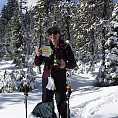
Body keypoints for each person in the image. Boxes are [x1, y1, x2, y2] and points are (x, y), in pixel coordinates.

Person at [34, 26, 76, 118]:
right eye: (50, 34)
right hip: (47, 79)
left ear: (59, 34)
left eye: (55, 33)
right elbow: (37, 63)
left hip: (60, 79)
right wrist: (38, 55)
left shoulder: (65, 48)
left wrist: (65, 65)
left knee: (61, 104)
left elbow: (73, 64)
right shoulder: (46, 48)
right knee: (46, 105)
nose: (52, 35)